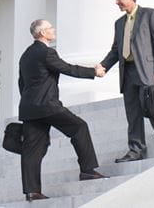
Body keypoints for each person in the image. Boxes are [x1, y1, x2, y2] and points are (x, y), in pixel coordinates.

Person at [18, 19, 107, 201]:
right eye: (50, 28)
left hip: (29, 108)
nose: (54, 30)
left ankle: (32, 191)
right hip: (48, 105)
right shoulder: (46, 52)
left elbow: (22, 83)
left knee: (32, 150)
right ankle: (87, 170)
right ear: (43, 33)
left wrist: (31, 102)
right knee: (79, 127)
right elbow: (67, 68)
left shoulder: (25, 55)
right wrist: (93, 72)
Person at [95, 0, 154, 163]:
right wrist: (103, 66)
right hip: (127, 72)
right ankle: (136, 149)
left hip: (146, 70)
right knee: (133, 112)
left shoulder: (150, 14)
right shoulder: (119, 23)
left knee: (151, 105)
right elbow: (116, 50)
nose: (117, 2)